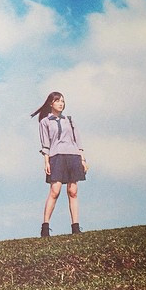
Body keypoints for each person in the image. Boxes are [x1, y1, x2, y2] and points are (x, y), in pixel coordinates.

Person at [31, 91, 88, 237]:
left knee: (73, 191)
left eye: (62, 101)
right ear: (51, 103)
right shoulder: (45, 122)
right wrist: (46, 161)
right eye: (57, 101)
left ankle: (75, 227)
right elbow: (45, 144)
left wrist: (83, 160)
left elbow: (78, 141)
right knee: (55, 191)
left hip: (73, 156)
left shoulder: (69, 120)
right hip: (56, 156)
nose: (61, 103)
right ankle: (45, 227)